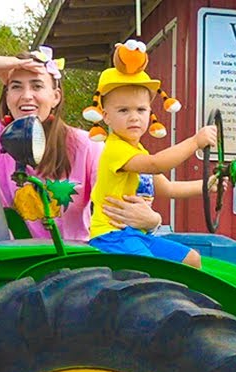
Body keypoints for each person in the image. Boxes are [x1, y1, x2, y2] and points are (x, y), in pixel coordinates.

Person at [0, 47, 205, 240]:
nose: (26, 96)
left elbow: (122, 200)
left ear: (56, 96)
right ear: (7, 96)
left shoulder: (85, 144)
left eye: (37, 86)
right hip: (21, 261)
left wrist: (152, 221)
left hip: (75, 260)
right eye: (15, 87)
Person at [85, 66, 218, 268]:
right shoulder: (115, 150)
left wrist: (206, 185)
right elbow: (156, 164)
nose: (134, 117)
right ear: (106, 116)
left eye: (140, 109)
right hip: (111, 236)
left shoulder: (138, 151)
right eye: (123, 110)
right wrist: (195, 141)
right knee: (154, 270)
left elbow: (168, 188)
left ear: (149, 112)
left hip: (136, 234)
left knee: (192, 259)